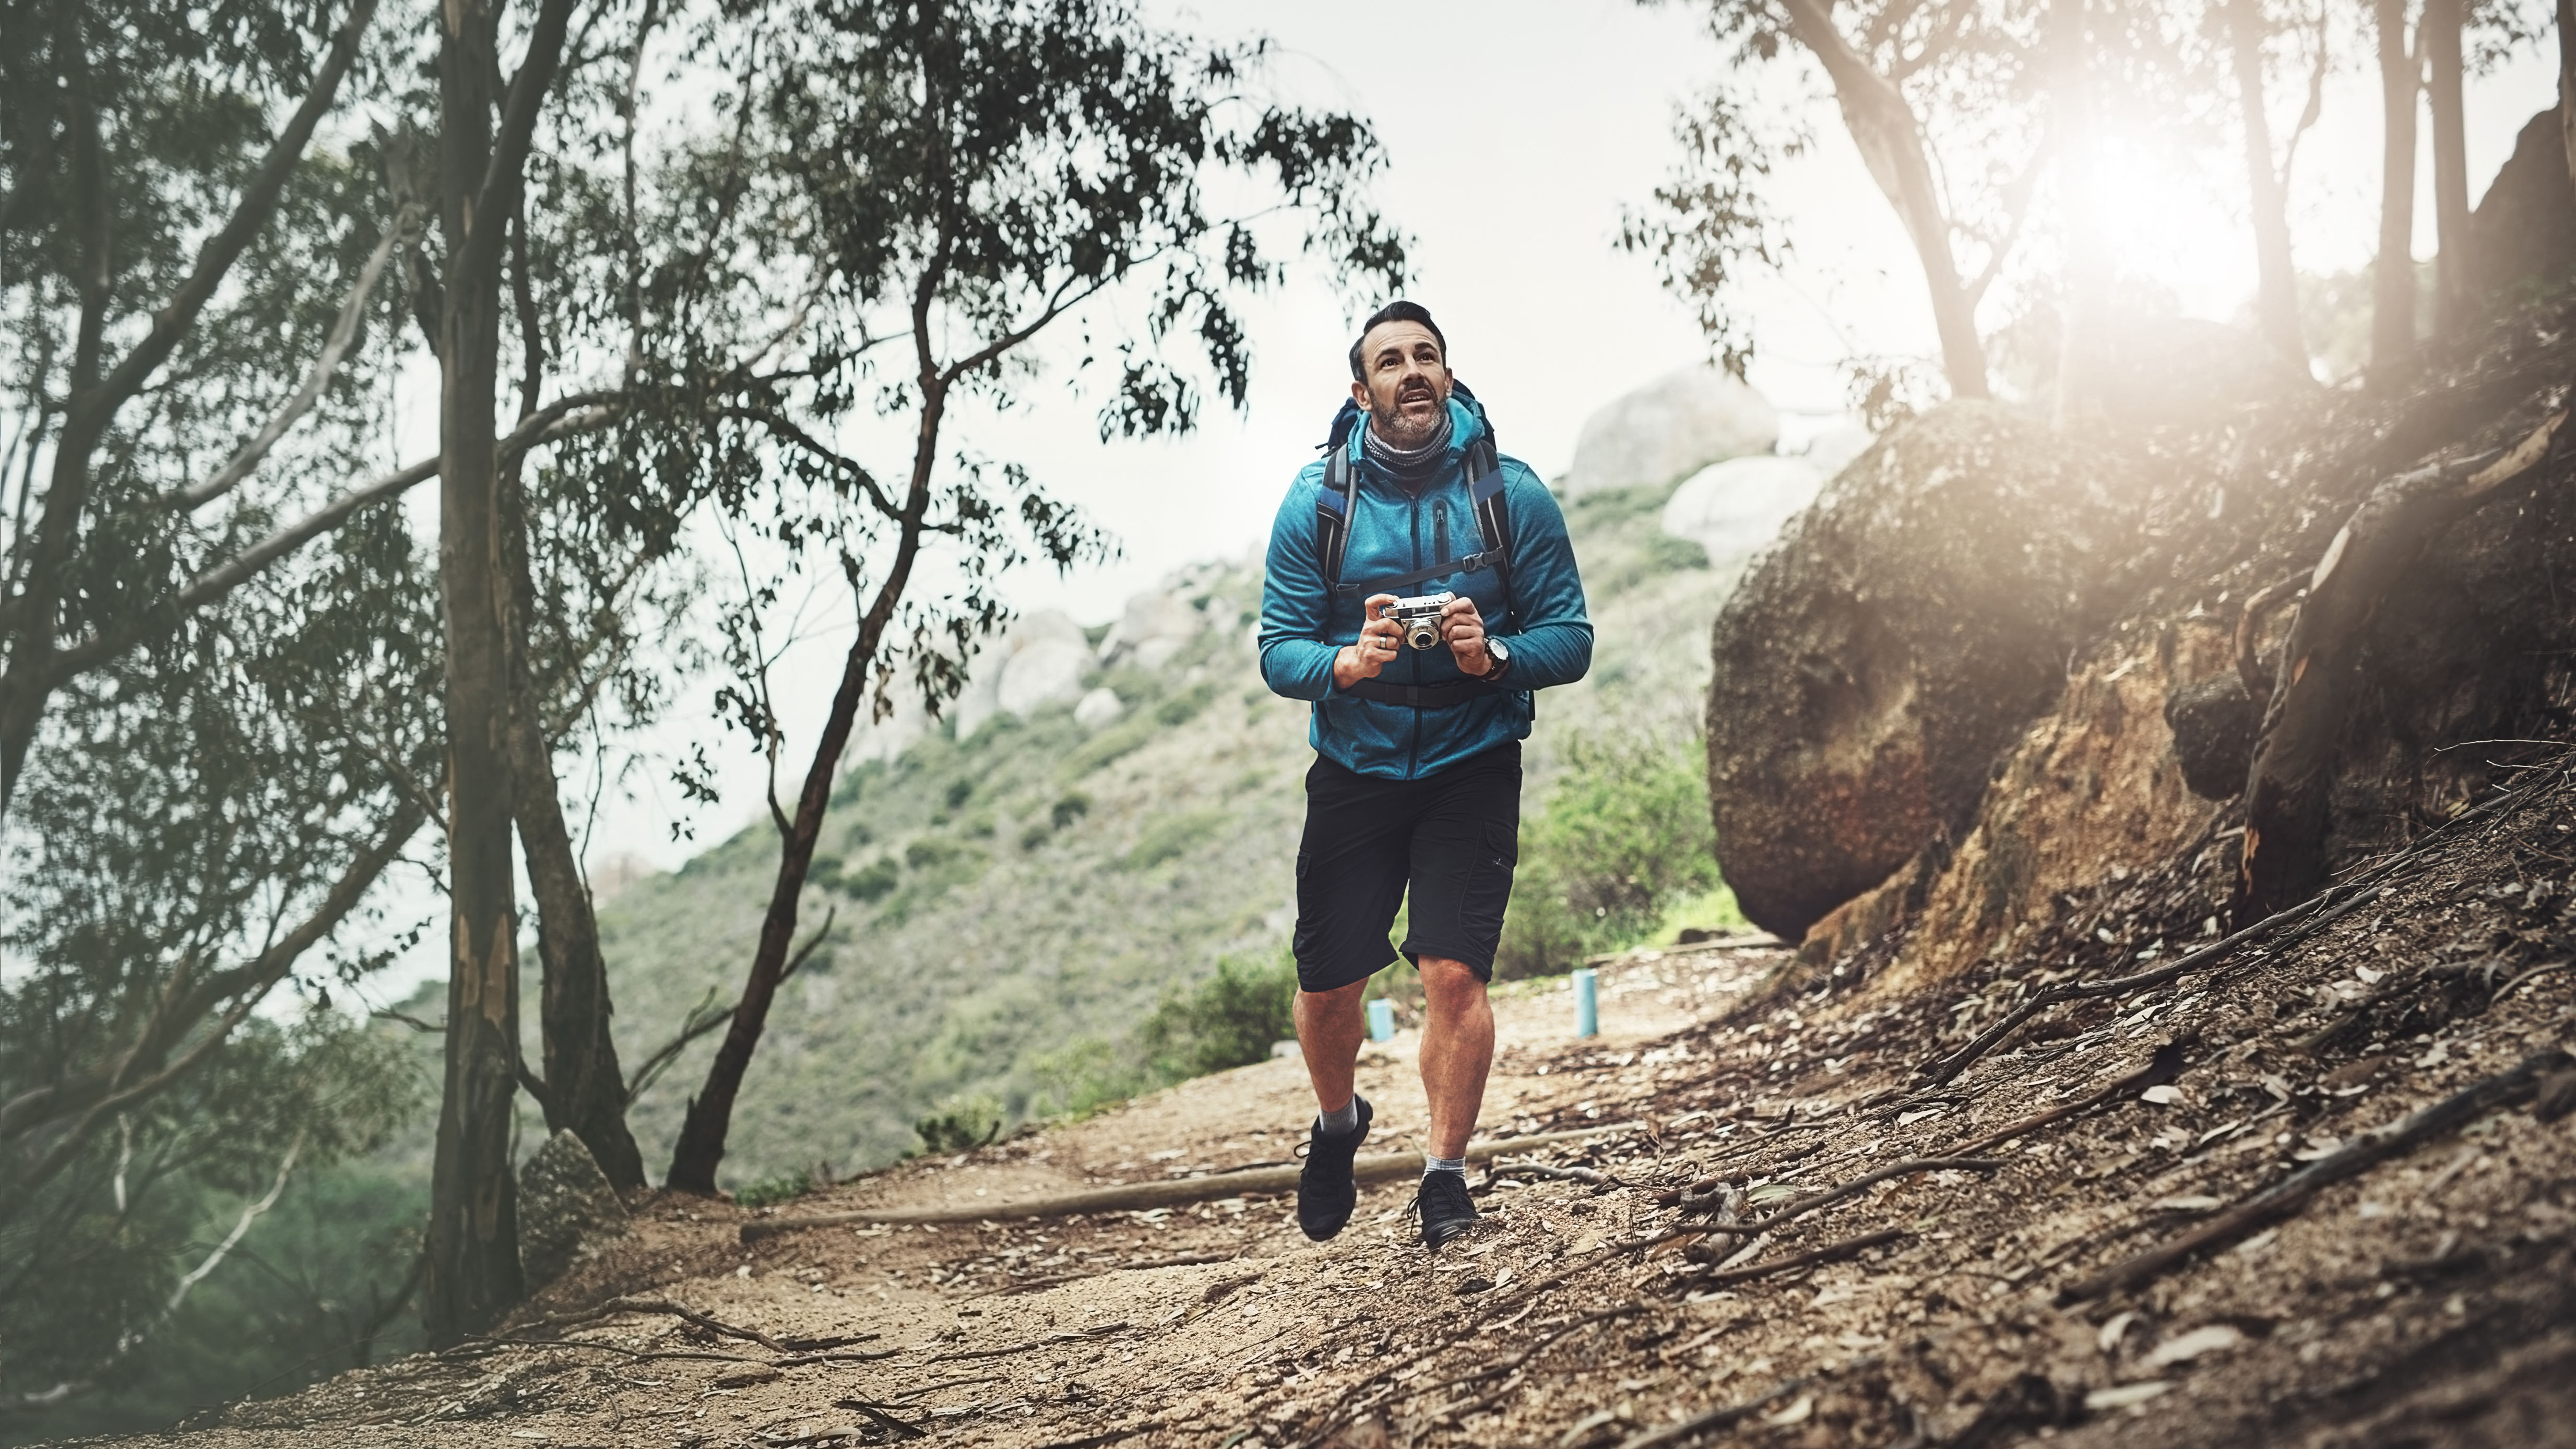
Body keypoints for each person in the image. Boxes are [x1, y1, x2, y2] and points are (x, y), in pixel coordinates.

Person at [1257, 300, 1592, 1250]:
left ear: (1447, 375)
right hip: (1355, 764)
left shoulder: (1510, 495)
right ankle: (1337, 1127)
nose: (1412, 372)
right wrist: (1345, 667)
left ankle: (1444, 1178)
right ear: (1361, 392)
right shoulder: (1316, 505)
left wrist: (1496, 657)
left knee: (1453, 974)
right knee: (1328, 988)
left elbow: (1570, 639)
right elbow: (1278, 649)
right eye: (1391, 361)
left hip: (1473, 760)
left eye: (1426, 357)